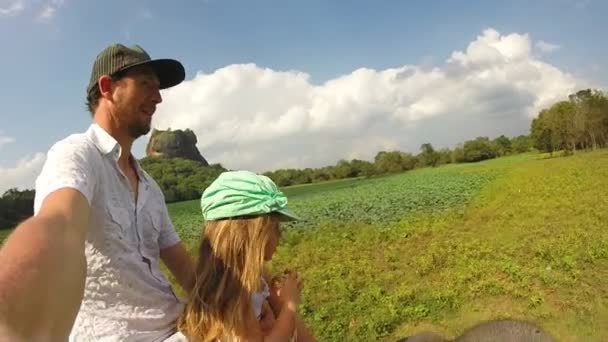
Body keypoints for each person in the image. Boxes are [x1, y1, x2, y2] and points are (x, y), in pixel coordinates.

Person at [0, 43, 196, 341]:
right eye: (145, 85)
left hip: (178, 323)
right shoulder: (76, 154)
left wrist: (235, 299)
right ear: (107, 87)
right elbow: (58, 224)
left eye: (158, 89)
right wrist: (12, 320)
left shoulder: (150, 186)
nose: (157, 98)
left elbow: (182, 266)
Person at [177, 170, 316, 342]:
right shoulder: (236, 291)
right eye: (275, 228)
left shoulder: (240, 280)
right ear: (254, 234)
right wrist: (289, 305)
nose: (281, 236)